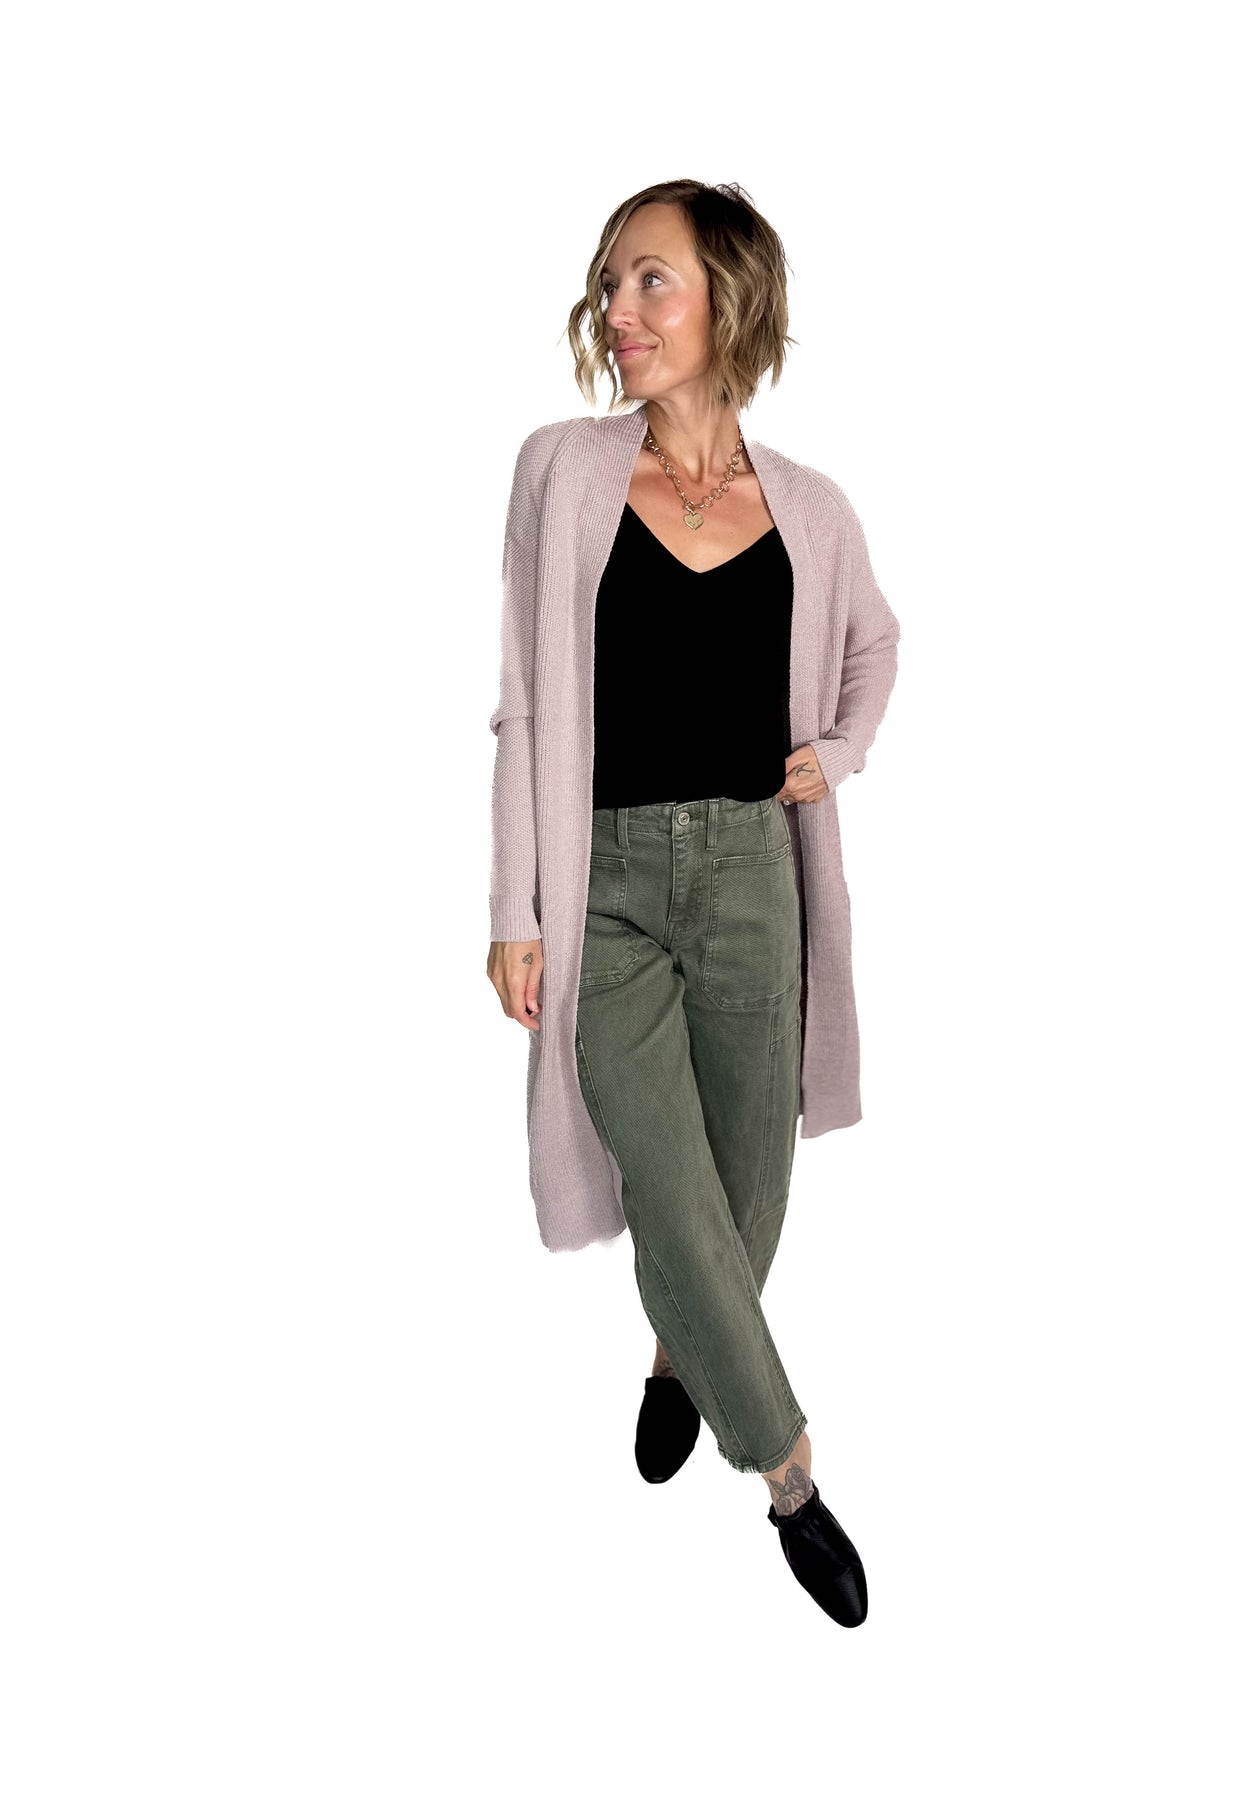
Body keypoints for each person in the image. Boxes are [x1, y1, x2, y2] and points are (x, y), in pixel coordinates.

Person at [485, 180, 900, 1627]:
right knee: (666, 1182)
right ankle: (788, 1473)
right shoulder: (562, 472)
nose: (619, 310)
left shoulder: (812, 510)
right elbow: (525, 705)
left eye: (650, 280)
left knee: (745, 1186)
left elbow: (874, 649)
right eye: (610, 283)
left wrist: (837, 752)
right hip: (602, 889)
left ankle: (679, 1355)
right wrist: (516, 906)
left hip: (749, 876)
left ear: (730, 297)